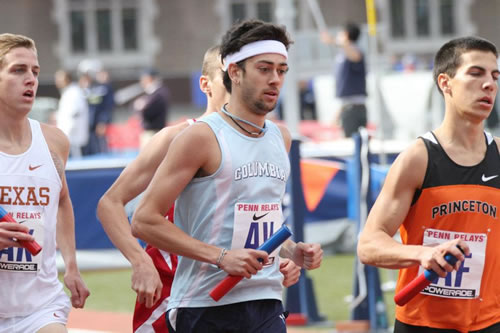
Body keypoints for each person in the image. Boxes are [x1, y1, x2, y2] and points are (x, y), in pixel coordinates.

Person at [131, 19, 323, 332]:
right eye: (264, 69)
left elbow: (259, 220)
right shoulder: (201, 138)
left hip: (266, 300)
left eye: (282, 70)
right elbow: (144, 221)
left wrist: (292, 251)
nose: (275, 79)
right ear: (234, 72)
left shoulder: (280, 138)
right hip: (205, 305)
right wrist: (221, 257)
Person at [97, 45, 301, 332]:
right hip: (174, 289)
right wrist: (140, 261)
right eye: (228, 77)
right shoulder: (178, 137)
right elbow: (111, 203)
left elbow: (253, 219)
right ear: (207, 84)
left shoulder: (269, 138)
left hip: (244, 294)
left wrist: (281, 255)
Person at [357, 36, 500, 332]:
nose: (489, 84)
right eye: (476, 73)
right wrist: (423, 253)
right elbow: (369, 244)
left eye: (494, 76)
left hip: (489, 322)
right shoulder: (418, 158)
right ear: (445, 83)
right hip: (422, 323)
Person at [0, 33, 90, 332]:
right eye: (18, 70)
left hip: (40, 307)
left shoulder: (54, 142)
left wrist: (72, 267)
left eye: (35, 72)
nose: (31, 79)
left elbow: (62, 201)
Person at [321, 22, 367, 137]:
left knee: (354, 142)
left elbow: (355, 55)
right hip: (347, 107)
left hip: (355, 109)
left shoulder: (355, 51)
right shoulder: (343, 54)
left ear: (346, 35)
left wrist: (333, 41)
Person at [54, 69, 89, 158]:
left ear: (67, 79)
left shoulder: (74, 93)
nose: (57, 82)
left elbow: (74, 114)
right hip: (67, 136)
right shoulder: (68, 92)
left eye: (59, 80)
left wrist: (66, 133)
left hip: (73, 137)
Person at [80, 67, 114, 155]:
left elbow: (107, 107)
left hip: (97, 124)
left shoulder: (103, 89)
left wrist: (102, 122)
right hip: (87, 125)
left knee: (100, 148)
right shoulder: (84, 90)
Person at [133, 68, 170, 148]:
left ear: (149, 78)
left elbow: (148, 111)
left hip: (154, 131)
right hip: (152, 131)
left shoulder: (159, 93)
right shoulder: (152, 93)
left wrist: (141, 108)